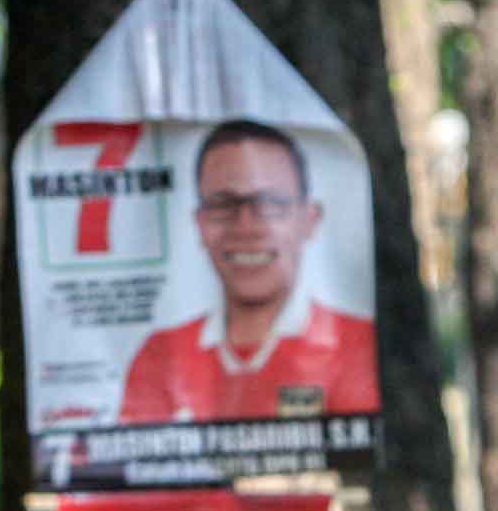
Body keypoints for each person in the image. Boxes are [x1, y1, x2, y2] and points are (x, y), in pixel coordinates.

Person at [116, 120, 379, 425]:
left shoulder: (356, 344)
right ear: (199, 224)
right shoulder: (159, 356)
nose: (246, 227)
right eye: (223, 205)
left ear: (310, 220)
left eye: (270, 204)